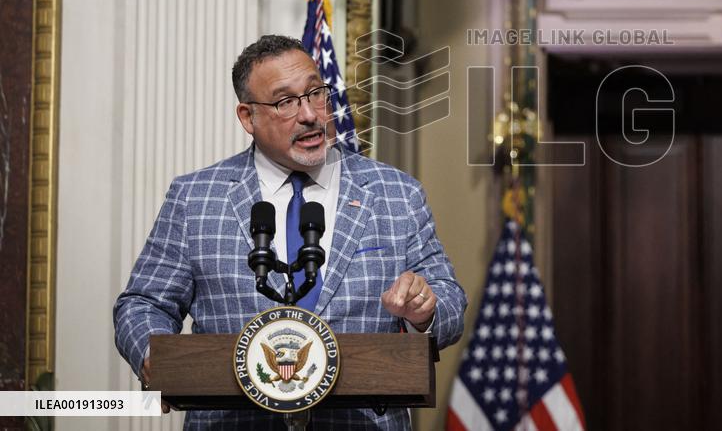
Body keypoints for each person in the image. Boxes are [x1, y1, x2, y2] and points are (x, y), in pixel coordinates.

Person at [113, 35, 467, 429]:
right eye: (286, 102)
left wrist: (426, 310)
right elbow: (143, 303)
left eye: (316, 93)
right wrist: (151, 354)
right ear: (248, 117)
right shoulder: (195, 197)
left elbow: (451, 302)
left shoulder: (395, 193)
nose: (311, 114)